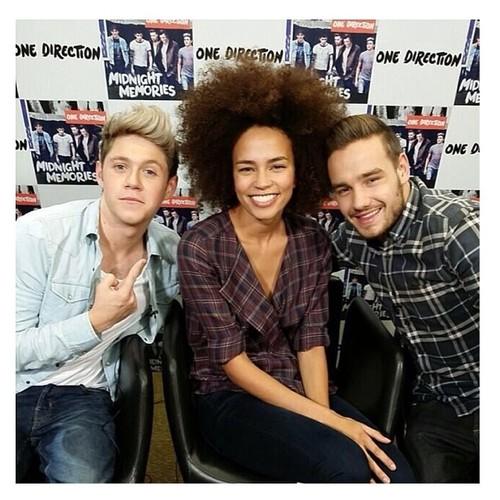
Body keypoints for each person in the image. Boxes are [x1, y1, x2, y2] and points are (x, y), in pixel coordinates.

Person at [177, 60, 414, 483]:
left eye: (277, 165)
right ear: (227, 174)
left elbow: (310, 343)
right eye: (246, 168)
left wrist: (326, 420)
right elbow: (233, 363)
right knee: (345, 468)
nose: (262, 181)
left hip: (301, 387)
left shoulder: (311, 240)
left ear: (298, 170)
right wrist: (334, 426)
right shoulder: (199, 247)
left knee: (396, 476)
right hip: (230, 399)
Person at [16, 104, 180, 483]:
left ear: (169, 187)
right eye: (120, 166)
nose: (133, 182)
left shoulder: (173, 254)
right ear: (99, 172)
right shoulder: (38, 234)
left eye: (150, 171)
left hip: (84, 397)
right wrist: (94, 322)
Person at [326, 114, 479, 483]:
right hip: (437, 408)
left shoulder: (457, 229)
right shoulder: (352, 237)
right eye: (343, 189)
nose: (359, 202)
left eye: (372, 179)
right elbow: (291, 262)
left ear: (402, 168)